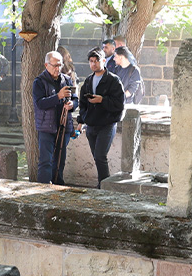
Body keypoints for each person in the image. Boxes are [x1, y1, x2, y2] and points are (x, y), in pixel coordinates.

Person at [79, 49, 126, 188]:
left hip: (107, 124)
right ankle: (103, 184)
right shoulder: (88, 81)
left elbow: (119, 104)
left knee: (100, 156)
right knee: (97, 157)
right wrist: (81, 121)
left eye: (96, 61)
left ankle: (103, 187)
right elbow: (83, 104)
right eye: (91, 61)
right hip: (91, 124)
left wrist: (102, 100)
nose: (94, 64)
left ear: (104, 61)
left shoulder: (113, 80)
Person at [32, 51, 77, 185]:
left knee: (59, 161)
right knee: (45, 161)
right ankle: (43, 189)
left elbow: (75, 99)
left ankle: (58, 187)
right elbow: (40, 104)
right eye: (55, 65)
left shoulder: (66, 79)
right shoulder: (39, 82)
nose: (58, 68)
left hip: (63, 126)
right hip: (46, 127)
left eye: (60, 65)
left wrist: (72, 105)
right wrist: (58, 96)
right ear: (47, 65)